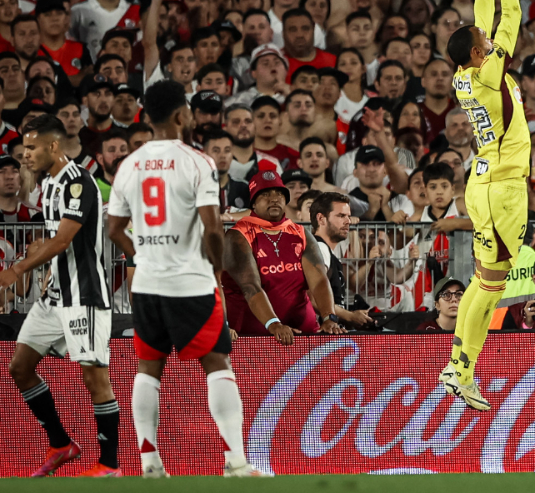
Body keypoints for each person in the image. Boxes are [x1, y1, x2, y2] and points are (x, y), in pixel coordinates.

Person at [105, 80, 265, 478]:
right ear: (181, 115)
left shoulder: (130, 164)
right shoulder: (197, 161)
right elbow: (213, 229)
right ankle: (235, 461)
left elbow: (113, 229)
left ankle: (149, 463)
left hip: (146, 284)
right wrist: (213, 268)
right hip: (190, 281)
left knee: (147, 368)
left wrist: (142, 254)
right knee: (217, 365)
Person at [440, 0, 529, 412]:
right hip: (503, 187)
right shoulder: (490, 75)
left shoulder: (463, 74)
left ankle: (460, 366)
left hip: (481, 181)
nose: (491, 41)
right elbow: (509, 20)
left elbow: (483, 21)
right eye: (485, 42)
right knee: (492, 284)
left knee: (481, 279)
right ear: (480, 52)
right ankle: (461, 367)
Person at [4, 114, 117, 477]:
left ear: (54, 146)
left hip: (83, 295)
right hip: (54, 297)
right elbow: (56, 240)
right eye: (24, 148)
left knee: (94, 378)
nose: (25, 155)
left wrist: (17, 269)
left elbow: (63, 239)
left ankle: (109, 465)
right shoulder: (47, 183)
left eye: (32, 148)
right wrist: (44, 261)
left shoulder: (77, 183)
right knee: (20, 368)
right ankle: (61, 443)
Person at [221, 169, 358, 338]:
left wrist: (329, 317)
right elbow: (250, 287)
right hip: (256, 337)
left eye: (279, 193)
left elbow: (319, 280)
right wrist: (274, 324)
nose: (274, 198)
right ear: (253, 204)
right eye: (265, 194)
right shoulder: (238, 236)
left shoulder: (300, 232)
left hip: (303, 333)